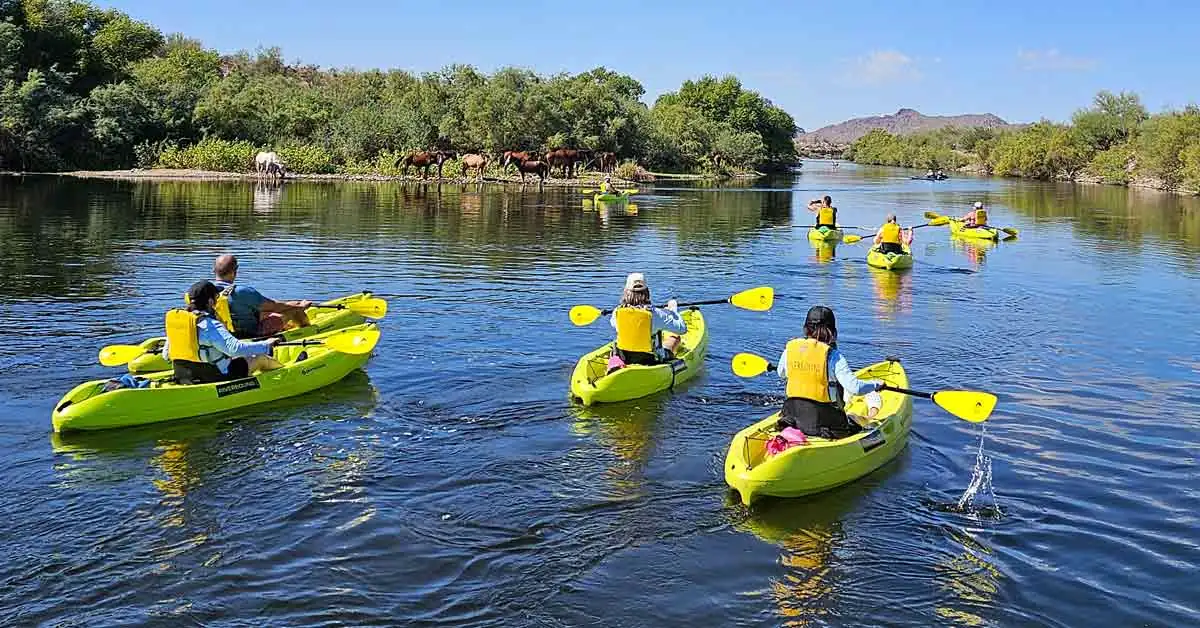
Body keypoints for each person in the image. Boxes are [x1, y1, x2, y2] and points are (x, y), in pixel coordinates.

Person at [775, 306, 884, 439]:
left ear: (805, 328)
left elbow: (781, 373)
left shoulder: (790, 351)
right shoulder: (834, 356)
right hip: (827, 426)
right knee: (856, 419)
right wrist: (876, 385)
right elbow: (855, 388)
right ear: (833, 332)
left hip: (793, 419)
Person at [162, 281, 281, 384]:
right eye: (216, 298)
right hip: (216, 377)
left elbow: (166, 355)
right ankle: (287, 373)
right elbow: (235, 349)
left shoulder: (179, 324)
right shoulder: (209, 325)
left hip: (184, 376)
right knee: (259, 358)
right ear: (210, 302)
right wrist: (267, 344)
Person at [211, 254, 313, 338]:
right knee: (294, 307)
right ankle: (308, 331)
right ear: (235, 271)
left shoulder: (205, 290)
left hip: (224, 334)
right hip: (252, 334)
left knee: (288, 305)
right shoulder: (242, 291)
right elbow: (274, 307)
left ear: (214, 270)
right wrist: (300, 306)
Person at [608, 273, 688, 370]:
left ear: (626, 292)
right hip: (651, 359)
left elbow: (614, 324)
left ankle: (616, 363)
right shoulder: (655, 313)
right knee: (674, 338)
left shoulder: (616, 312)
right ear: (647, 292)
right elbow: (682, 329)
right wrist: (673, 311)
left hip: (625, 357)